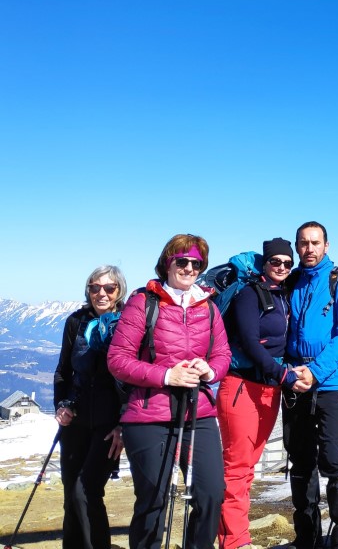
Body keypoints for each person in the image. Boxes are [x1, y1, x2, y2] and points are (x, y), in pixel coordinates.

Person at [107, 233, 231, 549]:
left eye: (196, 263)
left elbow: (222, 355)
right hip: (148, 415)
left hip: (197, 412)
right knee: (153, 501)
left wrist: (210, 370)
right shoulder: (142, 303)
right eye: (182, 261)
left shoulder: (209, 307)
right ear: (167, 263)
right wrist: (167, 376)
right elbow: (117, 360)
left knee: (211, 493)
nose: (189, 268)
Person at [283, 221, 338, 549]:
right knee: (300, 460)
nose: (309, 249)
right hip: (295, 385)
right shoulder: (291, 282)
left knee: (333, 459)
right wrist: (290, 374)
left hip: (332, 383)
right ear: (297, 246)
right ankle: (308, 539)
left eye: (315, 242)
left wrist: (314, 372)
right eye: (303, 243)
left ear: (326, 245)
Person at [217, 237, 302, 549]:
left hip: (268, 391)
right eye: (275, 261)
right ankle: (234, 542)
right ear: (264, 263)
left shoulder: (281, 295)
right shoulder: (249, 294)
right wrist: (281, 373)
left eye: (286, 263)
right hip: (241, 387)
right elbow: (250, 342)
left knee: (247, 467)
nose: (281, 267)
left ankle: (234, 536)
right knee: (237, 469)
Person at [54, 265, 127, 549]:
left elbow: (133, 379)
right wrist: (61, 405)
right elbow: (63, 371)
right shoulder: (76, 322)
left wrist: (125, 424)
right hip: (76, 420)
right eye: (94, 287)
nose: (101, 293)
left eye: (109, 288)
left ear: (119, 290)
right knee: (71, 494)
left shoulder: (128, 323)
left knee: (87, 491)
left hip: (111, 425)